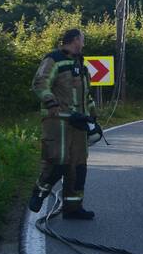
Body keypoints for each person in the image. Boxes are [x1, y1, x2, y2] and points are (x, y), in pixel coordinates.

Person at [28, 28, 97, 219]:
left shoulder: (80, 64)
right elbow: (40, 83)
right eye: (82, 40)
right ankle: (39, 194)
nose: (83, 44)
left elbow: (87, 94)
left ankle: (73, 208)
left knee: (78, 166)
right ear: (75, 40)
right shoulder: (53, 59)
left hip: (78, 124)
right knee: (57, 162)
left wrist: (93, 116)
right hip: (58, 123)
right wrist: (52, 104)